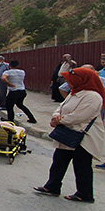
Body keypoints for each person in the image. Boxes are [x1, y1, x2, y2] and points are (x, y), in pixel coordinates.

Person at [33, 67, 105, 203]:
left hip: (83, 138)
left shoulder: (93, 97)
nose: (68, 82)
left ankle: (85, 194)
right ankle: (52, 187)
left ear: (81, 80)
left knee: (82, 166)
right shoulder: (74, 93)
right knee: (58, 162)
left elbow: (80, 116)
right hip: (68, 133)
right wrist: (56, 116)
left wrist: (60, 120)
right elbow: (61, 107)